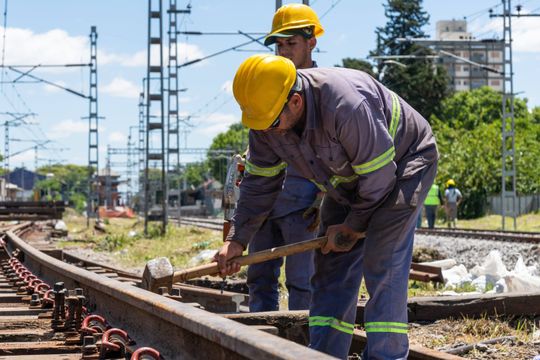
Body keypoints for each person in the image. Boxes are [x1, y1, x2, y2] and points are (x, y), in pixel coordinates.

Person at [215, 54, 438, 359]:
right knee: (331, 266)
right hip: (349, 179)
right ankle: (325, 354)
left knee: (382, 259)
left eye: (271, 123)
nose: (268, 131)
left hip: (403, 166)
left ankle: (387, 355)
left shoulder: (345, 105)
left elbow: (379, 179)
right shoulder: (266, 120)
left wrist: (352, 226)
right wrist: (236, 240)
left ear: (295, 102)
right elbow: (258, 184)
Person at [244, 4, 324, 312]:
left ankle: (303, 345)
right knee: (259, 278)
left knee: (303, 282)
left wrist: (323, 200)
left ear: (311, 42)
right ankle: (261, 341)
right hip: (268, 203)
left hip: (304, 208)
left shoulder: (321, 90)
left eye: (291, 43)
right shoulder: (268, 85)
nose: (284, 51)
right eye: (280, 45)